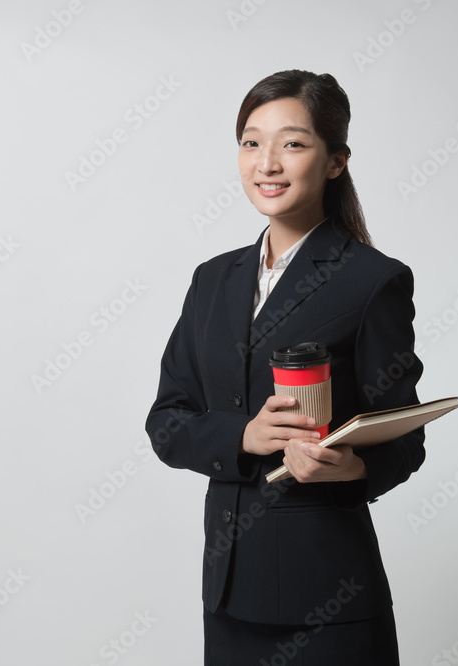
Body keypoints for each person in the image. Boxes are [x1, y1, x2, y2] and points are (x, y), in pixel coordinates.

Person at [145, 69, 424, 665]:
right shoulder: (212, 280)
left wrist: (352, 468)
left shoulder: (372, 281)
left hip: (327, 598)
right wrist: (243, 436)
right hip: (227, 594)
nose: (267, 163)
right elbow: (167, 422)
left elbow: (404, 440)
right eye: (251, 142)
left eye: (292, 143)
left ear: (335, 161)